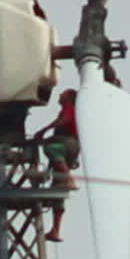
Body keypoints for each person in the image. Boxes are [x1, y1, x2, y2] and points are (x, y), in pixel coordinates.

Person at [31, 88, 81, 242]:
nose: (59, 95)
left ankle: (69, 177)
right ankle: (55, 230)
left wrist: (44, 130)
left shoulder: (69, 108)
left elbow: (64, 120)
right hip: (72, 148)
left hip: (65, 144)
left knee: (49, 146)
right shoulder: (77, 112)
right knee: (58, 189)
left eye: (63, 94)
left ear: (69, 97)